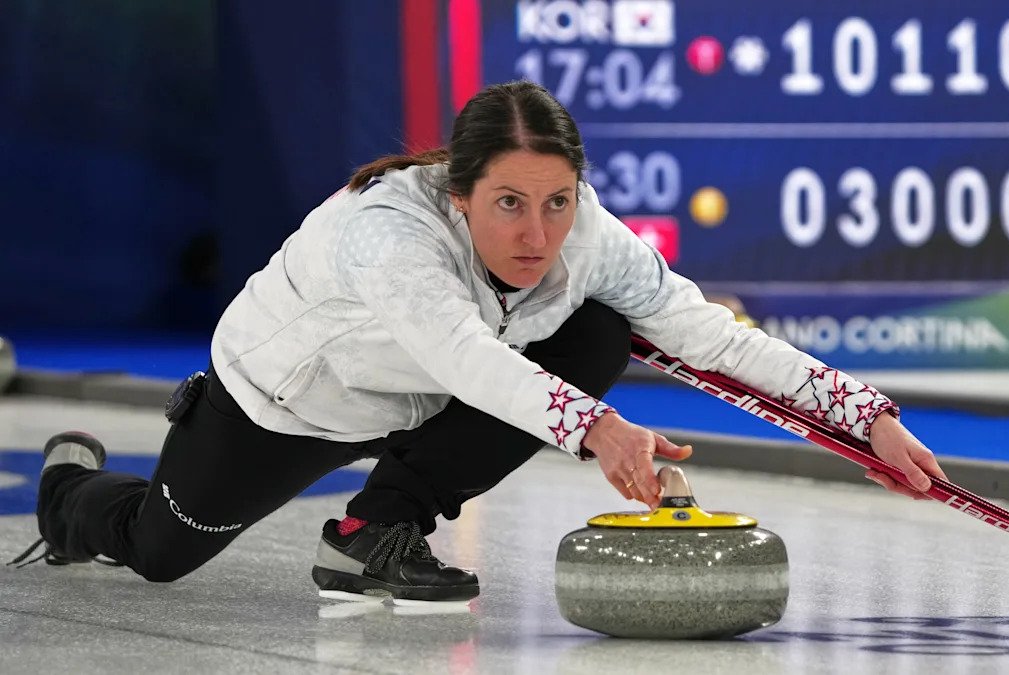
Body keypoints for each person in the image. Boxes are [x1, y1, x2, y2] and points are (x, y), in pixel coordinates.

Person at [10, 81, 946, 601]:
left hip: (425, 403)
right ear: (459, 194)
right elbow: (466, 355)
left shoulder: (587, 236)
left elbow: (705, 331)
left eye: (557, 202)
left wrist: (865, 418)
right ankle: (69, 487)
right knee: (157, 550)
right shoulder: (390, 233)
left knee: (601, 327)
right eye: (508, 204)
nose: (537, 234)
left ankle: (376, 526)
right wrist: (598, 429)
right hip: (285, 400)